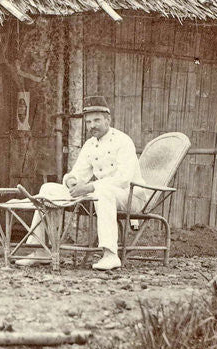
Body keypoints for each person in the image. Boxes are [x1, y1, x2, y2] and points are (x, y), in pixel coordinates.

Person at [17, 95, 142, 271]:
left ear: (108, 120)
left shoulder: (123, 141)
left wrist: (90, 187)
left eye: (97, 120)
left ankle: (110, 254)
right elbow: (77, 173)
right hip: (101, 195)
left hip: (130, 196)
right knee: (47, 189)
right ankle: (40, 250)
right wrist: (72, 182)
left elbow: (123, 178)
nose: (92, 126)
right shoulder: (90, 145)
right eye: (89, 122)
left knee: (103, 192)